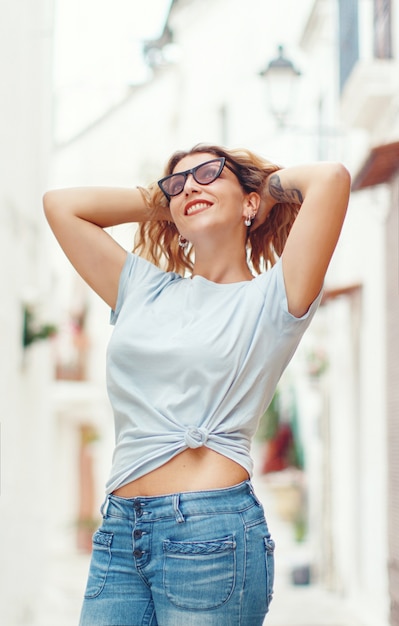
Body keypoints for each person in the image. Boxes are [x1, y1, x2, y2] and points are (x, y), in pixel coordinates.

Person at [43, 143, 350, 626]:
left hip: (212, 531)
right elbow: (61, 206)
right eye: (177, 182)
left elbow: (330, 179)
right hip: (121, 530)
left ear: (249, 203)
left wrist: (263, 187)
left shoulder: (273, 297)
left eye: (209, 173)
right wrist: (168, 201)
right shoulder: (142, 288)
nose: (190, 185)